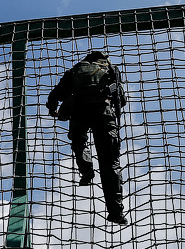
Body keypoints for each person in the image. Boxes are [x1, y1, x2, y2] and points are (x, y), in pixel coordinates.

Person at [46, 51, 128, 225]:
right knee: (110, 163)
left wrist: (53, 109)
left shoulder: (75, 70)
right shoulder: (111, 69)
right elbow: (121, 97)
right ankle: (116, 212)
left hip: (79, 112)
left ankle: (86, 170)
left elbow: (54, 95)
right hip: (103, 114)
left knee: (79, 142)